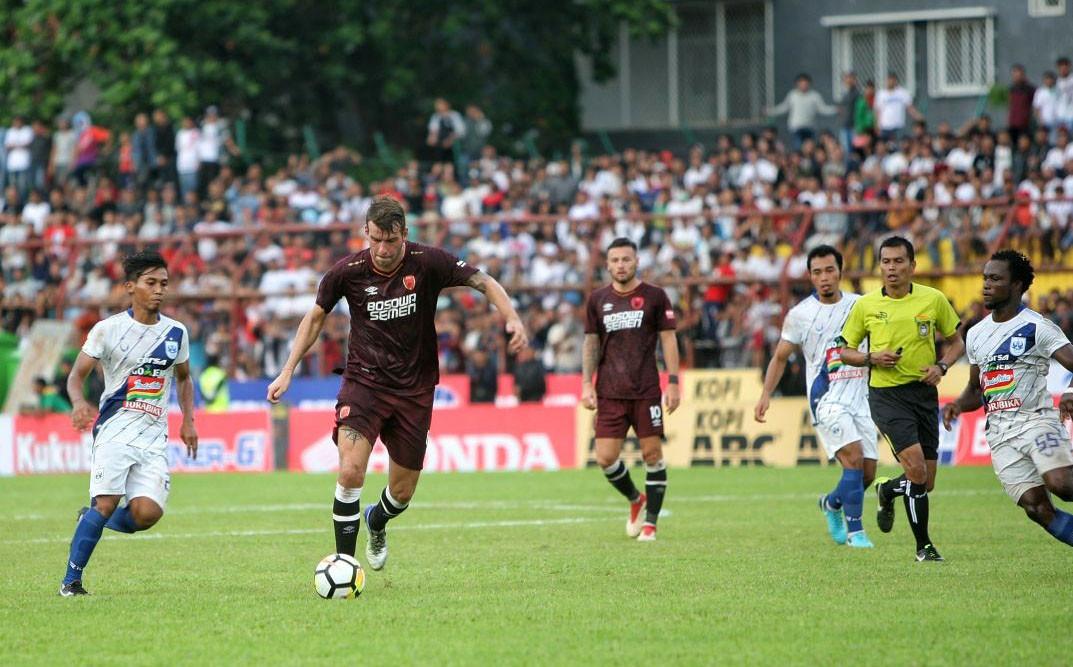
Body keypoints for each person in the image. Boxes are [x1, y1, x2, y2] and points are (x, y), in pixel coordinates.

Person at [266, 196, 528, 570]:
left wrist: (513, 318)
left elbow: (483, 282)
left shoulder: (427, 262)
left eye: (391, 240)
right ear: (365, 233)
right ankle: (344, 564)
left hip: (414, 389)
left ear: (405, 233)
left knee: (402, 494)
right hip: (364, 384)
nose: (383, 249)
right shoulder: (348, 272)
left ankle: (377, 520)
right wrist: (288, 369)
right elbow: (316, 317)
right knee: (349, 470)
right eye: (375, 239)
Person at [59, 251, 198, 596]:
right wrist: (78, 403)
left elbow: (183, 378)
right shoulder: (107, 330)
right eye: (151, 283)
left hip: (154, 436)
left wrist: (189, 420)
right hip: (115, 429)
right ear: (130, 287)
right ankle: (71, 581)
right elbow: (76, 376)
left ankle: (88, 520)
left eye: (164, 283)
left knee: (147, 514)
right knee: (105, 503)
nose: (159, 290)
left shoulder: (176, 333)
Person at [838, 236, 964, 562]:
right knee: (918, 471)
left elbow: (956, 341)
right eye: (886, 262)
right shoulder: (865, 306)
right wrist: (871, 358)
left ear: (912, 265)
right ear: (879, 265)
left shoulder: (933, 299)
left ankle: (888, 490)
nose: (891, 268)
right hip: (886, 395)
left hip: (923, 393)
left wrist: (942, 366)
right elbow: (845, 351)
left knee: (926, 481)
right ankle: (924, 547)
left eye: (898, 261)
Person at [943, 250, 1073, 547]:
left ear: (1016, 286)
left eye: (995, 278)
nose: (986, 285)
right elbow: (977, 389)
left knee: (1062, 484)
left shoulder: (1037, 327)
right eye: (985, 278)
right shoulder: (975, 334)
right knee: (1036, 508)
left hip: (1035, 422)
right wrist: (957, 406)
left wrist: (1071, 391)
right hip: (1000, 435)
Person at [754, 245, 876, 548]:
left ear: (840, 272)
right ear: (810, 276)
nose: (824, 278)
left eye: (829, 270)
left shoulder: (862, 305)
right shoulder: (800, 315)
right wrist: (766, 393)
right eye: (817, 272)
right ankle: (855, 532)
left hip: (861, 398)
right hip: (826, 399)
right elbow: (780, 356)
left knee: (867, 474)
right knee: (855, 461)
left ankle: (831, 504)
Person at [582, 237, 680, 542]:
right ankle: (637, 500)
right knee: (605, 458)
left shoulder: (655, 296)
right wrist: (587, 382)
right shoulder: (597, 300)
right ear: (607, 264)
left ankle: (650, 525)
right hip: (609, 391)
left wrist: (674, 381)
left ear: (636, 261)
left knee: (652, 454)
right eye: (615, 260)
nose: (620, 265)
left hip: (646, 389)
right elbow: (591, 342)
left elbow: (668, 340)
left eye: (626, 259)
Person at [767, 73, 838, 151]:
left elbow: (823, 108)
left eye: (805, 83)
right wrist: (770, 111)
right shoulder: (792, 95)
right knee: (798, 149)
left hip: (810, 128)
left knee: (811, 149)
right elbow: (784, 107)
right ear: (797, 84)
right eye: (801, 83)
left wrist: (835, 109)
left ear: (809, 84)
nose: (803, 85)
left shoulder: (814, 96)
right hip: (796, 128)